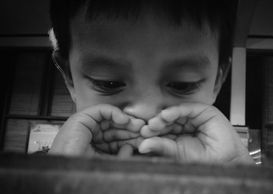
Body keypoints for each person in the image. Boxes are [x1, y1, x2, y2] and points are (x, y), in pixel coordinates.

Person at [48, 0, 254, 165]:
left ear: (218, 81)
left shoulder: (223, 169)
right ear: (69, 77)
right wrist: (57, 180)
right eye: (109, 83)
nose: (147, 113)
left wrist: (235, 173)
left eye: (182, 85)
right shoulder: (52, 175)